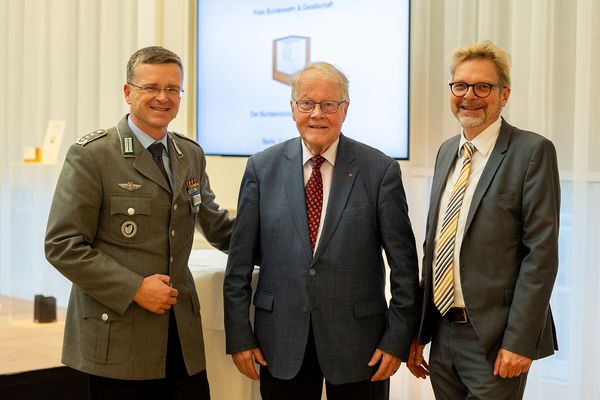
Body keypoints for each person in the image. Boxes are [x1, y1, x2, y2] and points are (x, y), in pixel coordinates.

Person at [45, 46, 234, 399]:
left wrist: (288, 239)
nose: (162, 98)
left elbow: (218, 226)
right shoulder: (93, 155)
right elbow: (63, 245)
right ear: (128, 92)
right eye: (151, 87)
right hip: (118, 337)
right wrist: (134, 287)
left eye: (172, 89)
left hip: (181, 338)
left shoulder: (189, 154)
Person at [223, 62, 420, 400]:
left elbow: (404, 265)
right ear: (292, 108)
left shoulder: (379, 170)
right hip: (279, 341)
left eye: (329, 105)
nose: (317, 114)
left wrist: (397, 339)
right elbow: (239, 264)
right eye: (307, 103)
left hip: (361, 345)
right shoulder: (261, 168)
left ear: (345, 110)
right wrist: (240, 335)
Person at [406, 41, 560, 399]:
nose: (469, 95)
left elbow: (541, 256)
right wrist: (418, 330)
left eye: (483, 87)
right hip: (443, 336)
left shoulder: (532, 151)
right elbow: (436, 247)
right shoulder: (447, 151)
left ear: (503, 95)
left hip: (495, 340)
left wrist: (520, 342)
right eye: (460, 85)